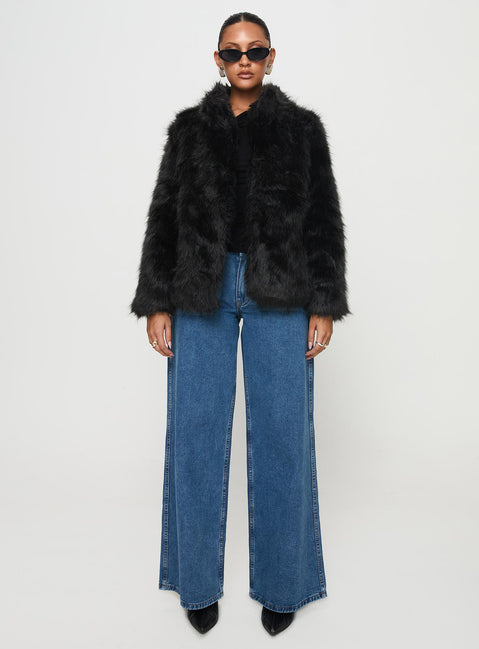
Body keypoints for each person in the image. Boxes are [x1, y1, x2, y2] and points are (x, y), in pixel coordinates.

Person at [130, 11, 351, 636]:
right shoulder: (188, 130)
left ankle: (284, 583)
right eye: (232, 52)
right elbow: (164, 215)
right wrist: (157, 299)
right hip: (200, 287)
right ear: (218, 59)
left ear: (271, 57)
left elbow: (323, 217)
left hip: (280, 287)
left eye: (255, 50)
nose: (244, 60)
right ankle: (196, 583)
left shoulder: (302, 129)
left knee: (284, 433)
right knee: (195, 432)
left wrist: (324, 302)